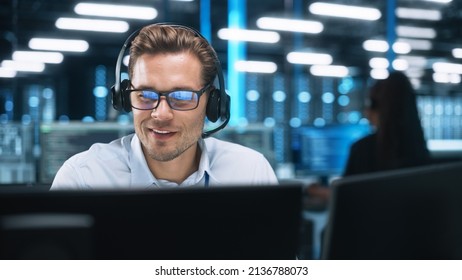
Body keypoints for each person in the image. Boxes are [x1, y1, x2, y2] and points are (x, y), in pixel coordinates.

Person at [51, 23, 278, 190]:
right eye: (145, 95)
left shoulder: (250, 173)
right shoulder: (83, 179)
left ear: (212, 102)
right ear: (124, 98)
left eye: (181, 96)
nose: (161, 114)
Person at [307, 71, 431, 201]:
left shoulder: (363, 150)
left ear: (378, 109)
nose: (366, 113)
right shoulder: (419, 153)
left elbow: (346, 198)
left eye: (369, 105)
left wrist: (316, 191)